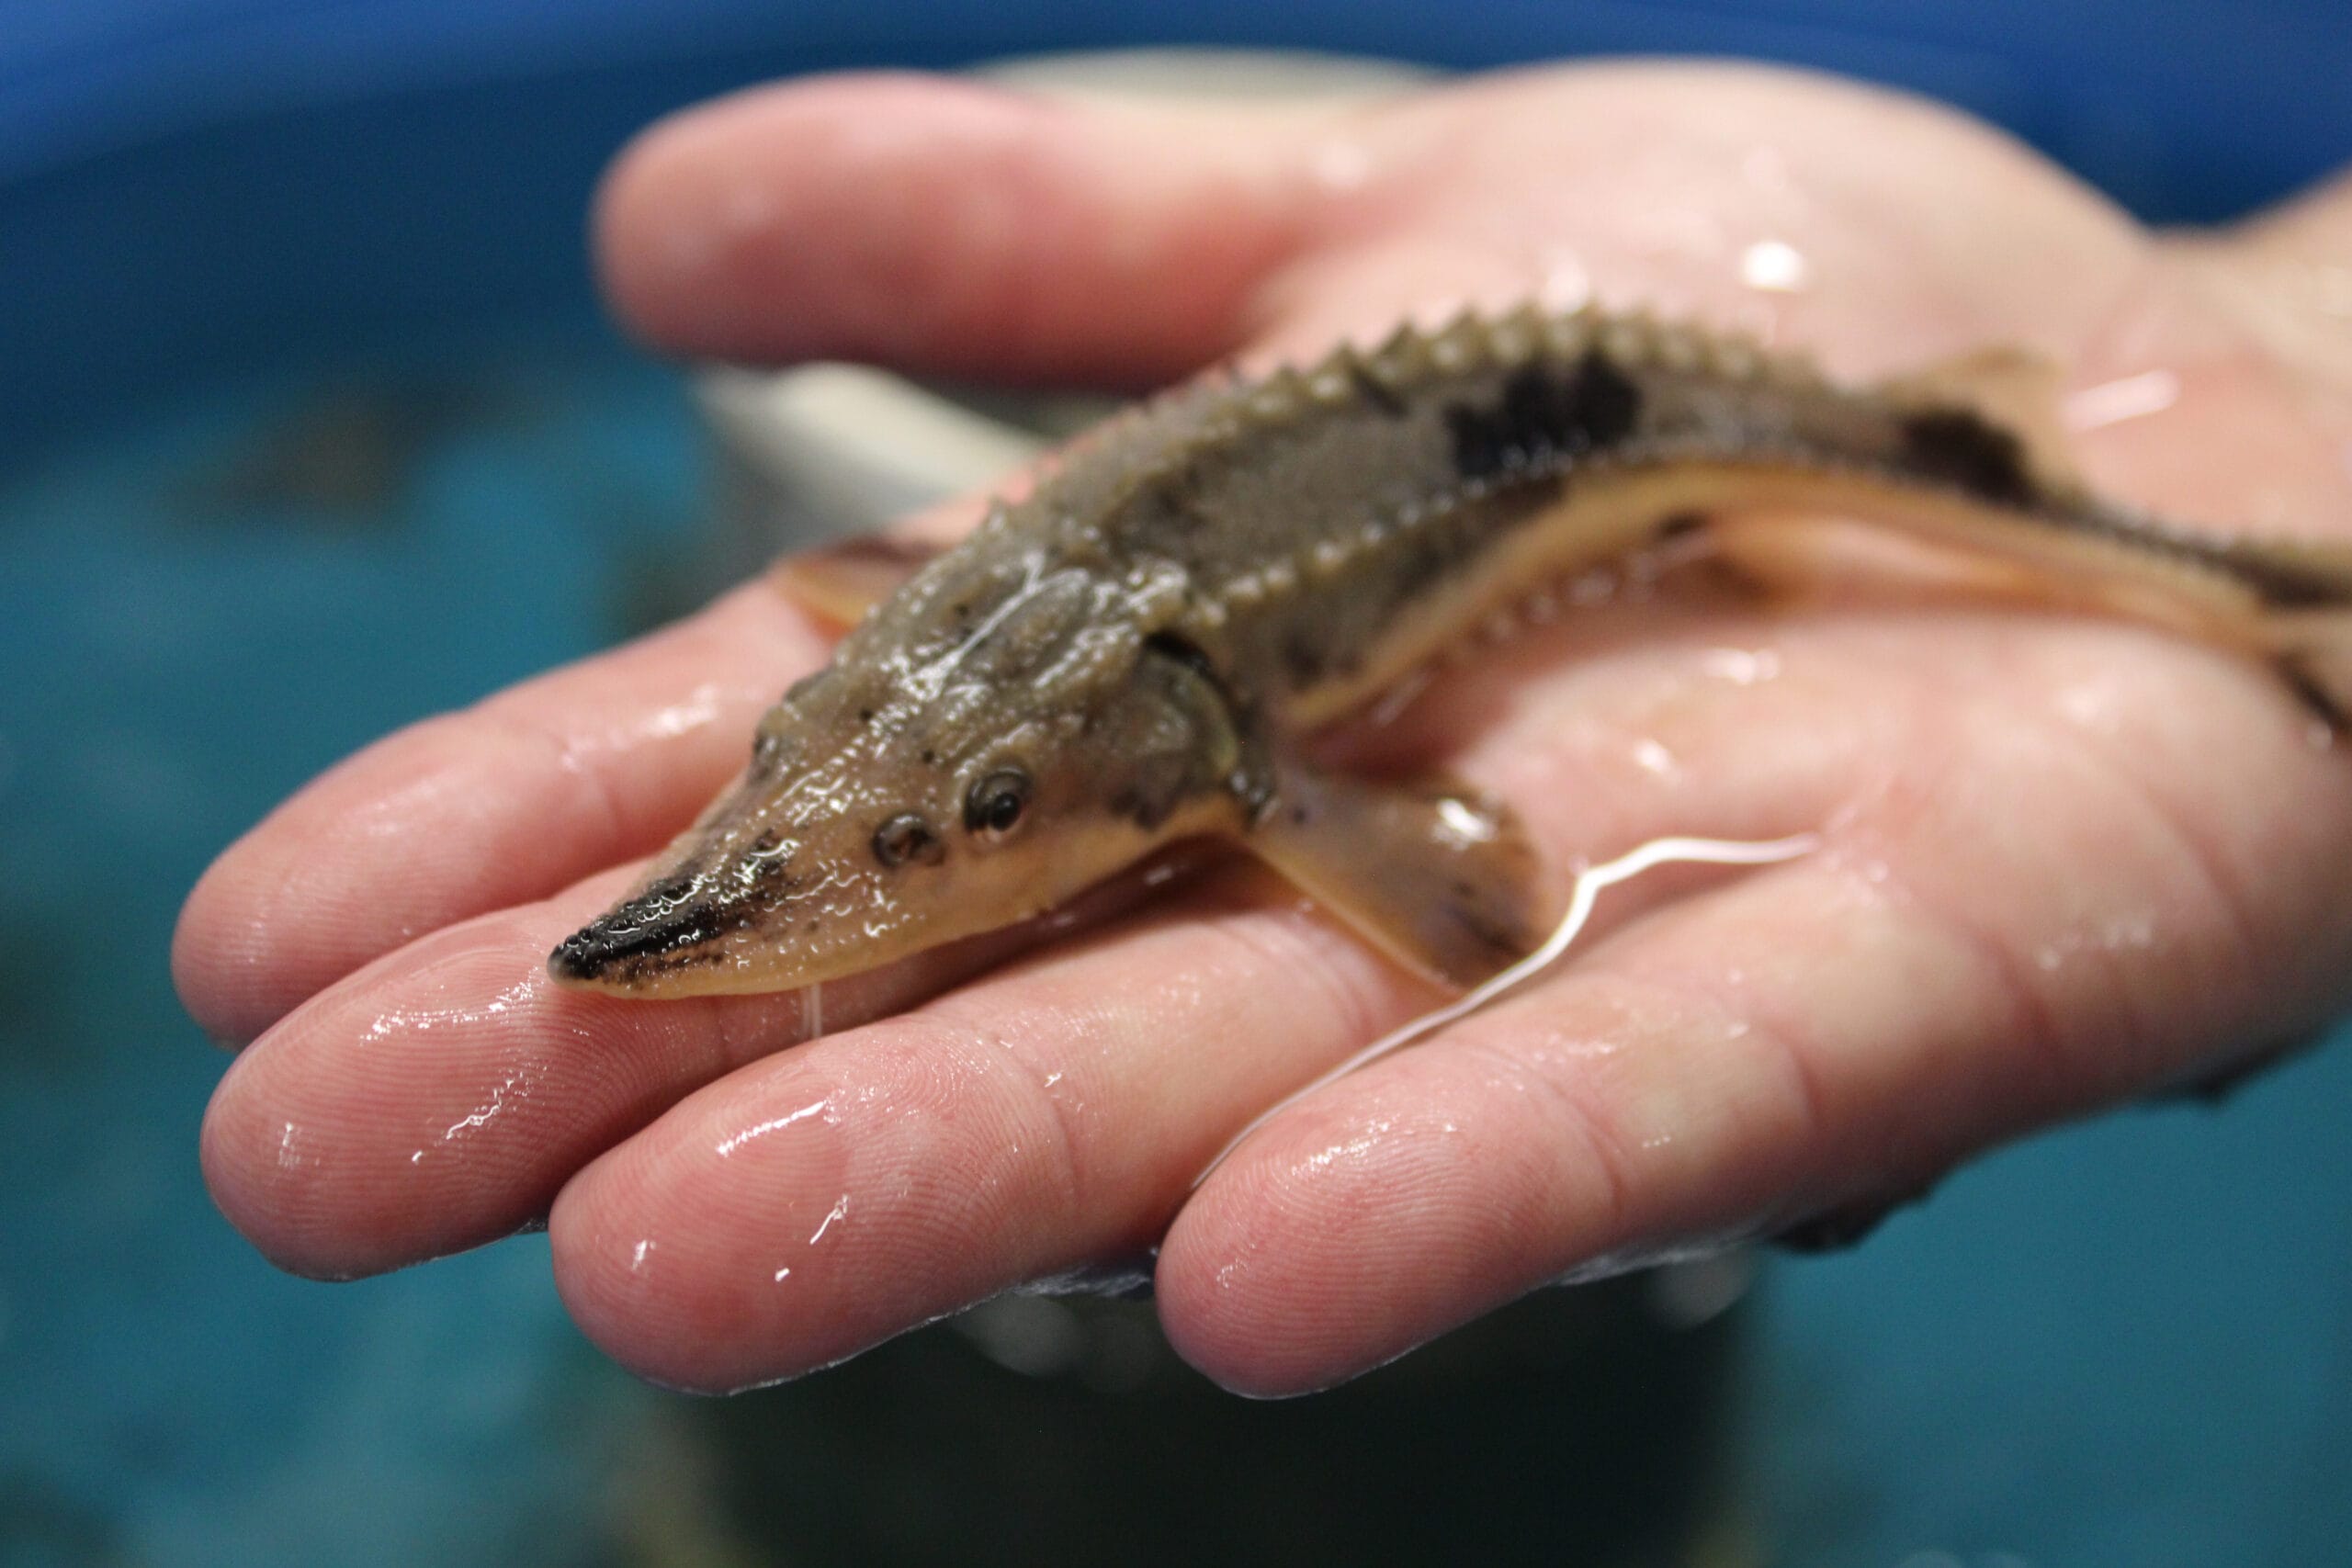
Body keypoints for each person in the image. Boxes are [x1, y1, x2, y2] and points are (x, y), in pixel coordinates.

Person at [173, 62, 2352, 1395]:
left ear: (1195, 752)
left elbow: (1463, 888)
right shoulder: (940, 634)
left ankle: (2265, 588)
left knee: (2131, 547)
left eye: (975, 822)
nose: (829, 864)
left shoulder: (1227, 750)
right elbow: (898, 687)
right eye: (823, 760)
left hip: (1721, 442)